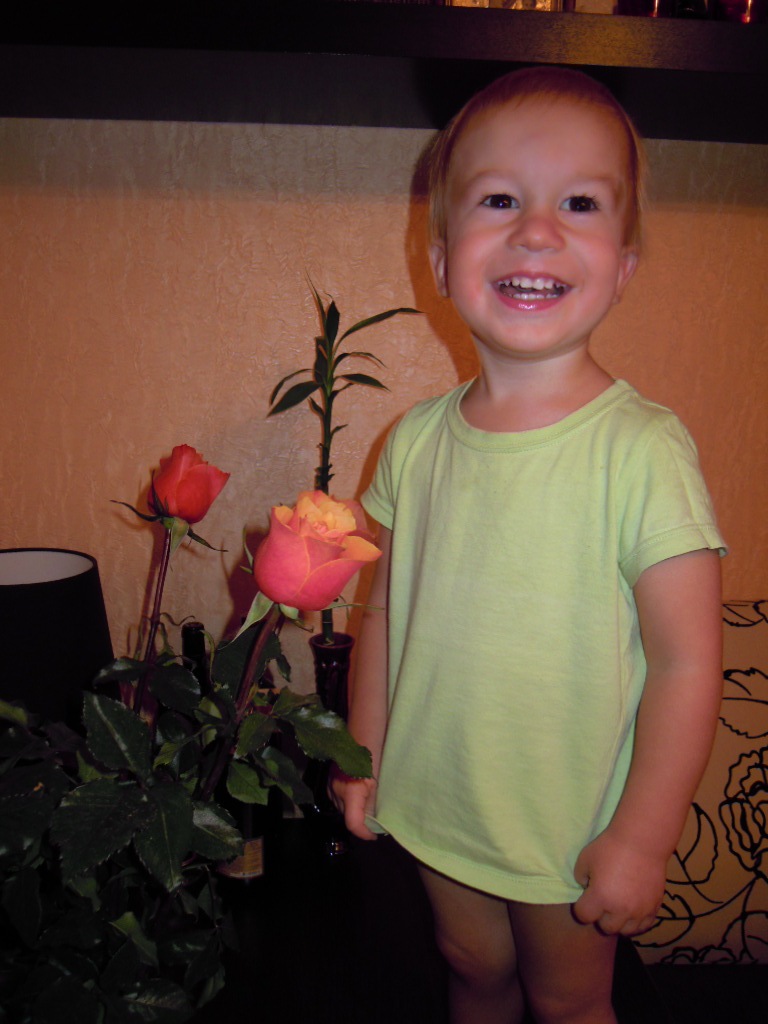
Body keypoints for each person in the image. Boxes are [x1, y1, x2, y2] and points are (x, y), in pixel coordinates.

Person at [331, 66, 726, 1024]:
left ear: (624, 264)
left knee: (569, 999)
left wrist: (643, 839)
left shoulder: (642, 450)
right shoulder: (414, 441)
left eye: (579, 203)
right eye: (501, 199)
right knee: (469, 968)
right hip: (438, 797)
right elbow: (383, 610)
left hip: (568, 820)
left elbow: (686, 663)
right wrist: (363, 751)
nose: (537, 231)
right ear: (440, 257)